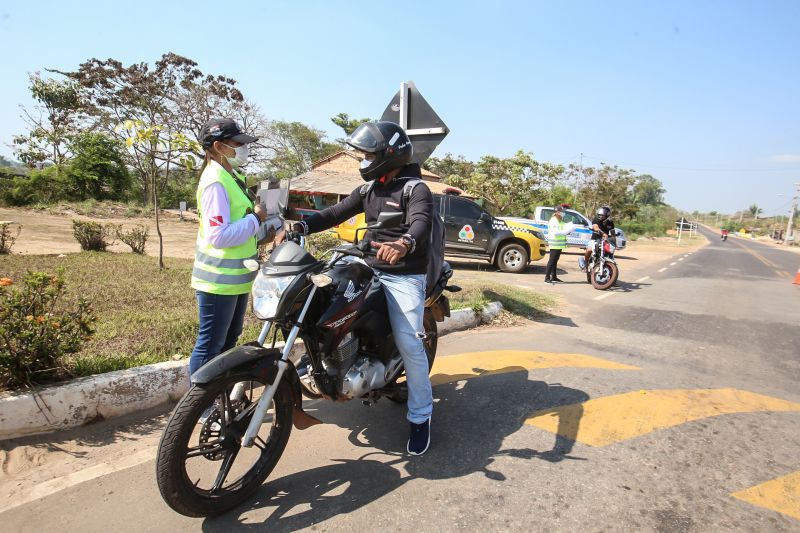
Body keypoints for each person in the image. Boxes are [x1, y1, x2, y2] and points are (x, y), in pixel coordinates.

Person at [289, 121, 435, 456]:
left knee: (411, 343)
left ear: (390, 154)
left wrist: (405, 242)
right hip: (365, 263)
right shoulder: (369, 190)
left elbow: (421, 223)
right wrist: (302, 225)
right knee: (318, 304)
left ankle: (421, 416)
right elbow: (335, 213)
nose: (364, 160)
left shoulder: (415, 189)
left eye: (370, 154)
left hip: (403, 274)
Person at [189, 118, 266, 379]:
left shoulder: (232, 177)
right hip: (218, 282)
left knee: (228, 344)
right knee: (210, 345)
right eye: (237, 144)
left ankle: (217, 398)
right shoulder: (215, 181)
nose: (243, 149)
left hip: (236, 280)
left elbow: (240, 224)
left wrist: (263, 229)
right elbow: (218, 236)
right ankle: (200, 406)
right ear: (219, 146)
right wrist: (256, 219)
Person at [582, 206, 615, 270]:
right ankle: (585, 265)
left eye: (602, 215)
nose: (600, 216)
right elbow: (595, 227)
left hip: (605, 240)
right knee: (589, 250)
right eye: (599, 215)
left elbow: (613, 233)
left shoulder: (610, 222)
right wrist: (603, 233)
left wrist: (614, 242)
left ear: (607, 215)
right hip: (595, 239)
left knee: (610, 252)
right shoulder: (596, 219)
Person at [545, 205, 572, 283]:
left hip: (559, 244)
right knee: (551, 261)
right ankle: (546, 278)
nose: (563, 213)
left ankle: (554, 277)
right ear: (557, 212)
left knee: (555, 261)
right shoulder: (553, 221)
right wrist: (565, 232)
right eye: (562, 212)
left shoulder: (560, 220)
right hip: (554, 243)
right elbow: (556, 232)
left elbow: (564, 227)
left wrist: (568, 230)